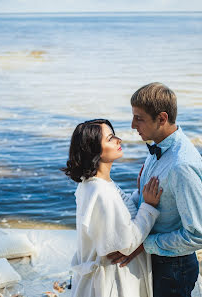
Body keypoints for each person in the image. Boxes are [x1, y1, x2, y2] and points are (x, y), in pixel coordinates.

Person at [107, 82, 202, 297]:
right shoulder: (159, 145)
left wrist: (144, 245)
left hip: (173, 268)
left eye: (139, 118)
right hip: (159, 261)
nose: (132, 125)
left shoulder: (182, 166)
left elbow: (200, 236)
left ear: (162, 119)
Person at [63, 119, 163, 297]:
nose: (119, 140)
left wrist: (139, 193)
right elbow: (127, 243)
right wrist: (148, 206)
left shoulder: (94, 184)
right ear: (94, 149)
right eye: (110, 138)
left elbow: (119, 215)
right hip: (114, 282)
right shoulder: (101, 192)